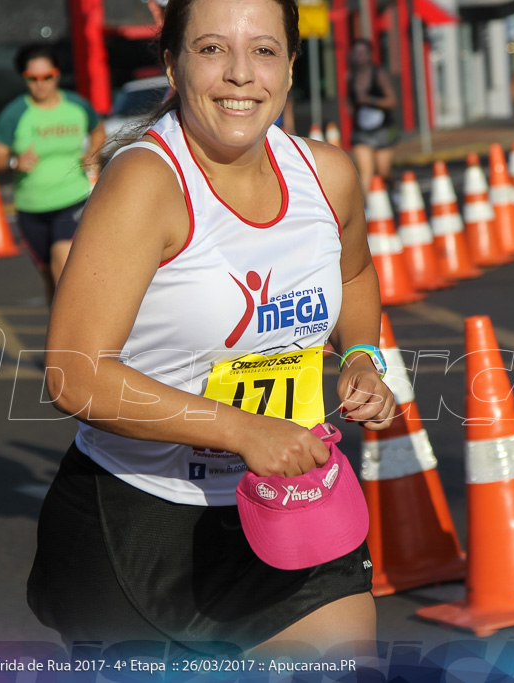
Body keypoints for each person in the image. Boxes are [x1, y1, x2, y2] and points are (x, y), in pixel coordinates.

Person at [27, 0, 396, 657]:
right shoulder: (145, 181)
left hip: (293, 503)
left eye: (262, 50)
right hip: (145, 524)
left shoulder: (328, 174)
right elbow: (74, 374)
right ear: (172, 62)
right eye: (210, 49)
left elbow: (357, 272)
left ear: (289, 66)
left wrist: (362, 355)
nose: (239, 74)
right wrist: (243, 429)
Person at [0, 44, 105, 303]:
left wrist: (92, 154)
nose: (41, 85)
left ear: (57, 75)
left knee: (63, 266)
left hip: (73, 200)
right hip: (32, 208)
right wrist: (15, 162)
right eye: (33, 79)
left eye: (47, 77)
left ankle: (82, 335)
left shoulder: (76, 106)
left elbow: (98, 131)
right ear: (25, 78)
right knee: (50, 277)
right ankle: (60, 335)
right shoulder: (15, 114)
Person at [347, 37, 398, 197]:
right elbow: (350, 102)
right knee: (365, 172)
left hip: (383, 129)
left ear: (370, 55)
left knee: (383, 171)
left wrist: (370, 100)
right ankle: (365, 211)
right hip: (362, 131)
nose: (359, 56)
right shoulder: (351, 77)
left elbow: (392, 101)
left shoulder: (379, 74)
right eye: (356, 53)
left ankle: (393, 188)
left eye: (363, 52)